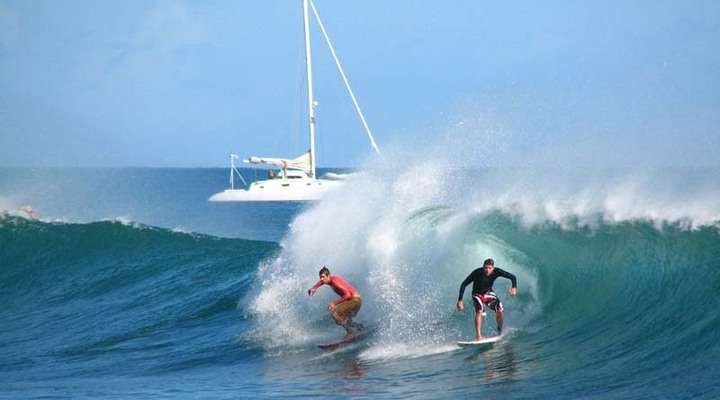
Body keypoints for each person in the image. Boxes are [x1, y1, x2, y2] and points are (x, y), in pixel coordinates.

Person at [457, 258, 517, 339]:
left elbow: (512, 277)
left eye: (489, 268)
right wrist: (460, 300)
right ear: (483, 267)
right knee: (479, 311)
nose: (487, 270)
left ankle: (500, 331)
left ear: (493, 268)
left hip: (488, 293)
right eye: (485, 267)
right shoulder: (477, 272)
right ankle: (478, 336)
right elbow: (464, 284)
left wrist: (514, 287)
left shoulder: (497, 271)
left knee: (500, 309)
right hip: (477, 294)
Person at [308, 266, 363, 338]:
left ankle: (351, 332)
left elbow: (348, 295)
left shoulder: (335, 282)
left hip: (355, 300)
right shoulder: (329, 280)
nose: (321, 279)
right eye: (320, 277)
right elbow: (322, 282)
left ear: (328, 276)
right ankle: (359, 327)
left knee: (335, 313)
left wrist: (334, 303)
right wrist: (314, 288)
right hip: (355, 300)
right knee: (344, 318)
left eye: (323, 277)